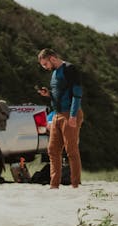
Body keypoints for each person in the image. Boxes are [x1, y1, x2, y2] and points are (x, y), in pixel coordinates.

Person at [36, 48, 84, 189]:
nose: (45, 67)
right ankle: (54, 185)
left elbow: (77, 94)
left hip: (69, 113)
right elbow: (60, 94)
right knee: (52, 149)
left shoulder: (70, 69)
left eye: (45, 64)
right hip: (57, 114)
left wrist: (73, 116)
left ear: (52, 58)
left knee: (71, 150)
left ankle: (75, 184)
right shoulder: (54, 73)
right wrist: (48, 94)